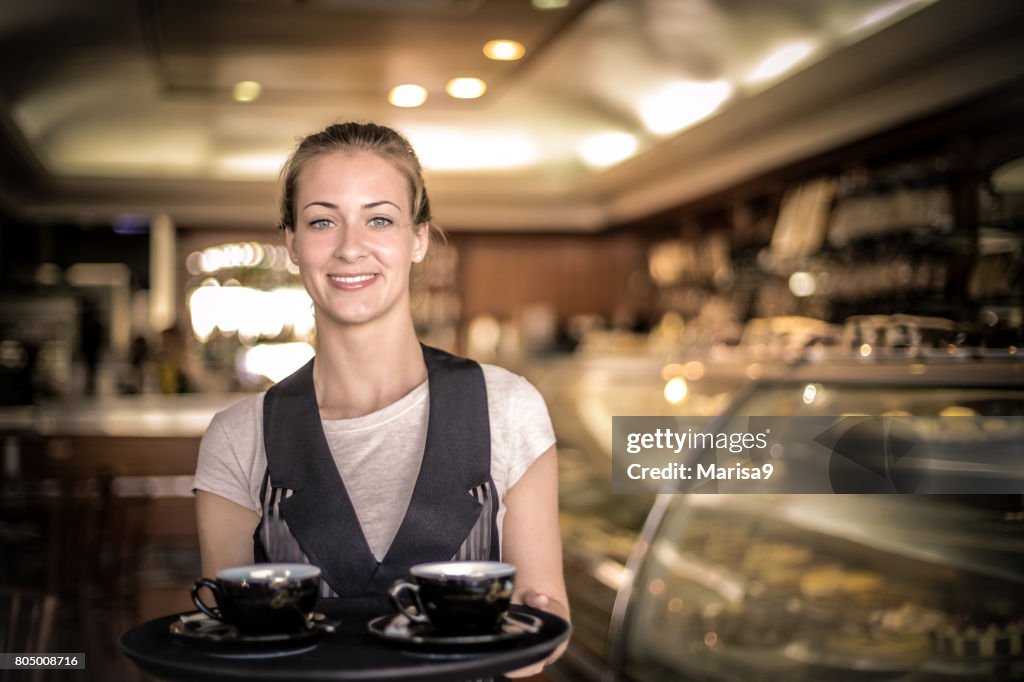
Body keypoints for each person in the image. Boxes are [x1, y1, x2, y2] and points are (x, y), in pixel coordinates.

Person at [192, 122, 568, 675]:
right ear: (292, 243)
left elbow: (545, 635)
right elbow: (233, 652)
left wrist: (536, 621)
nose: (350, 247)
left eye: (379, 219)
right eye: (323, 221)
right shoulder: (237, 437)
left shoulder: (508, 408)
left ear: (418, 238)